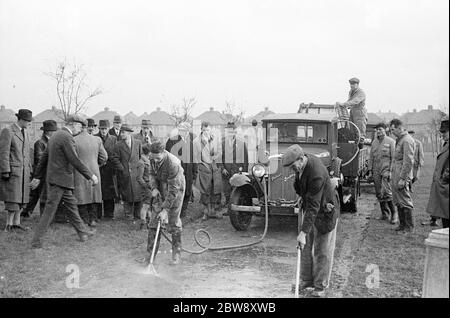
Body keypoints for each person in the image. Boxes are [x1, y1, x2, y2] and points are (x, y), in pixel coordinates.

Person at [30, 115, 99, 248]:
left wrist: (37, 177)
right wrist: (91, 176)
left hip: (58, 180)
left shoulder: (56, 135)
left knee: (72, 206)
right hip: (60, 181)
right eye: (79, 126)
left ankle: (83, 233)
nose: (80, 129)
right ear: (72, 124)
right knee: (49, 211)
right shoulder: (67, 137)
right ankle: (36, 241)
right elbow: (74, 160)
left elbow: (44, 158)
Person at [282, 144, 339, 298]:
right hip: (312, 207)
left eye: (293, 166)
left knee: (322, 250)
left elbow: (314, 206)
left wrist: (302, 232)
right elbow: (300, 185)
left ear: (301, 159)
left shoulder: (316, 173)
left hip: (324, 212)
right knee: (305, 248)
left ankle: (320, 286)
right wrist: (301, 196)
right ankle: (306, 280)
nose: (292, 170)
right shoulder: (301, 165)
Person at [146, 141, 186, 265]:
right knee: (153, 222)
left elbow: (173, 191)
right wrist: (154, 187)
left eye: (158, 158)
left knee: (173, 223)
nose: (155, 161)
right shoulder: (152, 158)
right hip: (161, 187)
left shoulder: (173, 164)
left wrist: (165, 210)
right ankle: (150, 256)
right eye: (153, 158)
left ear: (164, 153)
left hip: (176, 190)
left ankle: (176, 254)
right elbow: (151, 173)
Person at [0, 109, 33, 231]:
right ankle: (8, 224)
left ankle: (16, 223)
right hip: (13, 172)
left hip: (24, 172)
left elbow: (28, 153)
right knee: (12, 199)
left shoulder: (26, 132)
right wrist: (5, 170)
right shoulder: (8, 131)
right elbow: (4, 152)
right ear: (22, 120)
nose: (29, 124)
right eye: (28, 121)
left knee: (22, 199)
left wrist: (30, 168)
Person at [74, 121, 108, 227]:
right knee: (94, 195)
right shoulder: (97, 140)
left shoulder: (74, 140)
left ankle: (84, 219)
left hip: (80, 171)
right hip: (94, 171)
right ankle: (93, 219)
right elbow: (104, 157)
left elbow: (72, 158)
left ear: (80, 127)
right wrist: (97, 165)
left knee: (81, 195)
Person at [22, 120, 58, 218]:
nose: (55, 133)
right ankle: (28, 213)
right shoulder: (40, 143)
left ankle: (26, 212)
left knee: (36, 195)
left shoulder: (51, 142)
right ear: (48, 131)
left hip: (47, 172)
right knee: (40, 195)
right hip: (41, 173)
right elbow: (39, 158)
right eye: (53, 131)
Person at [165, 121, 198, 218]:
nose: (182, 132)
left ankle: (183, 211)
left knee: (187, 191)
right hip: (176, 172)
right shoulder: (171, 141)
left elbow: (194, 158)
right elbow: (167, 157)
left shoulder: (191, 143)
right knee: (175, 191)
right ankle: (174, 212)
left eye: (184, 130)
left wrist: (194, 172)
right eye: (180, 130)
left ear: (188, 131)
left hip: (188, 172)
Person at [111, 124, 143, 220]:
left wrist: (140, 169)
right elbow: (114, 158)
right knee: (126, 195)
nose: (121, 134)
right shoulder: (118, 145)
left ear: (129, 133)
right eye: (121, 132)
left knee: (138, 195)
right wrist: (122, 168)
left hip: (136, 174)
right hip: (125, 174)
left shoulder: (138, 143)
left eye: (123, 132)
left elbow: (141, 157)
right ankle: (128, 215)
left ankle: (138, 214)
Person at [389, 119, 415, 233]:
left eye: (393, 129)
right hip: (396, 175)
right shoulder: (399, 140)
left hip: (401, 176)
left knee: (405, 200)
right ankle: (402, 224)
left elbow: (408, 161)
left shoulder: (407, 140)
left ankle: (409, 227)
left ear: (400, 128)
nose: (391, 132)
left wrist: (403, 178)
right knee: (398, 200)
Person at [369, 122, 397, 223]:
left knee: (387, 192)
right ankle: (385, 214)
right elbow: (371, 157)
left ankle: (394, 214)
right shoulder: (374, 142)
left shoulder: (391, 142)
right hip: (376, 169)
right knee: (378, 192)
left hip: (386, 169)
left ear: (385, 130)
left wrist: (390, 171)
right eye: (377, 130)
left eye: (380, 129)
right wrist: (370, 170)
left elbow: (394, 158)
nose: (378, 131)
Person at [193, 121, 222, 220]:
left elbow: (220, 151)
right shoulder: (196, 141)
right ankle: (206, 211)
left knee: (216, 188)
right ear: (201, 129)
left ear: (210, 130)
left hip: (214, 167)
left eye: (208, 130)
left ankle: (214, 211)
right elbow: (195, 156)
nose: (206, 132)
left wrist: (216, 156)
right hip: (204, 167)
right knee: (205, 190)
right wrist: (201, 164)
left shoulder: (215, 139)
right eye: (204, 130)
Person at [425, 117, 449, 228]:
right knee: (445, 218)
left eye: (444, 132)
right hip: (444, 189)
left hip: (446, 188)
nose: (442, 134)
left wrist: (444, 178)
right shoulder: (446, 144)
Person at [219, 122, 249, 208]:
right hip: (226, 171)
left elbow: (245, 159)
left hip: (237, 170)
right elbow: (219, 158)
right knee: (227, 190)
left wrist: (244, 173)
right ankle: (228, 207)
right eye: (228, 131)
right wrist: (222, 169)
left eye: (232, 131)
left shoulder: (241, 143)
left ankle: (236, 206)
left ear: (235, 132)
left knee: (236, 189)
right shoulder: (222, 143)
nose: (230, 133)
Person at [95, 119, 118, 219]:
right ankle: (98, 214)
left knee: (109, 192)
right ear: (99, 129)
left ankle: (109, 214)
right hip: (98, 168)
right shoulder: (95, 138)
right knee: (98, 191)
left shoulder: (113, 139)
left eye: (105, 129)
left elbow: (116, 153)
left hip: (109, 169)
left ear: (109, 129)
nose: (103, 131)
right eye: (101, 129)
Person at [337, 77, 368, 143]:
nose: (352, 86)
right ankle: (354, 143)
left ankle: (360, 144)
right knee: (352, 129)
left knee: (359, 130)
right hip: (352, 111)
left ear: (357, 84)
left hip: (360, 112)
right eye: (351, 84)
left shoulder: (361, 93)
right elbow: (350, 101)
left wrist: (344, 104)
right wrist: (344, 105)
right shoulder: (351, 92)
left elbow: (355, 101)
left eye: (353, 84)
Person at [137, 143, 152, 229]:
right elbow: (139, 178)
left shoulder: (147, 160)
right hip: (146, 187)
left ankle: (147, 221)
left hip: (149, 187)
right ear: (148, 152)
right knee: (146, 205)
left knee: (148, 205)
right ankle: (143, 221)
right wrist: (146, 186)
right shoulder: (142, 163)